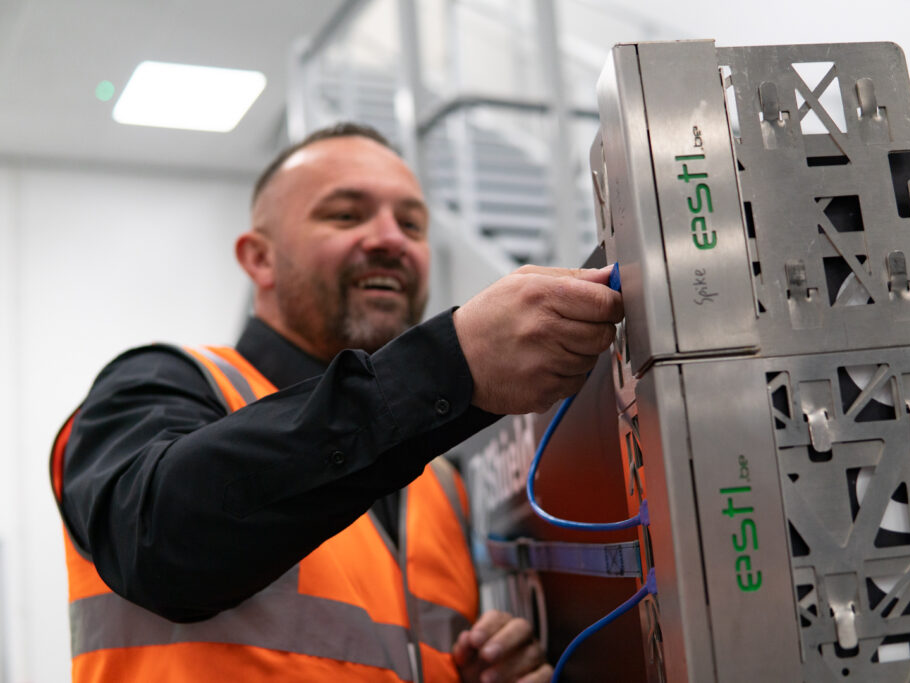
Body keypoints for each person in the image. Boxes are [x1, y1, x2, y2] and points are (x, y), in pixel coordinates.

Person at [49, 122, 623, 682]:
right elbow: (159, 543)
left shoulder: (442, 485)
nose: (390, 239)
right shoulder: (160, 384)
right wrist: (450, 363)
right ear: (259, 260)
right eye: (345, 215)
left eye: (412, 224)